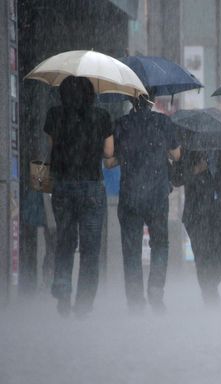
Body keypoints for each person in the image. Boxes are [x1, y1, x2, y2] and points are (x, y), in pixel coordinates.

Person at [104, 92, 180, 314]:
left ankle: (135, 300)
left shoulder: (121, 124)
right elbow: (177, 155)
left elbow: (109, 161)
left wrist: (127, 155)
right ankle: (156, 292)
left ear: (130, 101)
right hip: (157, 195)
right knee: (160, 245)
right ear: (152, 100)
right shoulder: (163, 122)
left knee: (131, 249)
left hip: (130, 196)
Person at [44, 76, 113, 317]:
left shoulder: (54, 114)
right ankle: (83, 304)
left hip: (62, 186)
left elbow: (52, 146)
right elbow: (109, 152)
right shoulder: (101, 117)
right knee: (90, 249)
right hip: (91, 186)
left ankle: (62, 288)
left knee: (64, 241)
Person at [171, 149, 221, 307]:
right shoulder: (187, 148)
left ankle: (210, 285)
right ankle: (209, 295)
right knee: (202, 258)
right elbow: (176, 178)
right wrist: (195, 170)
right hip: (197, 214)